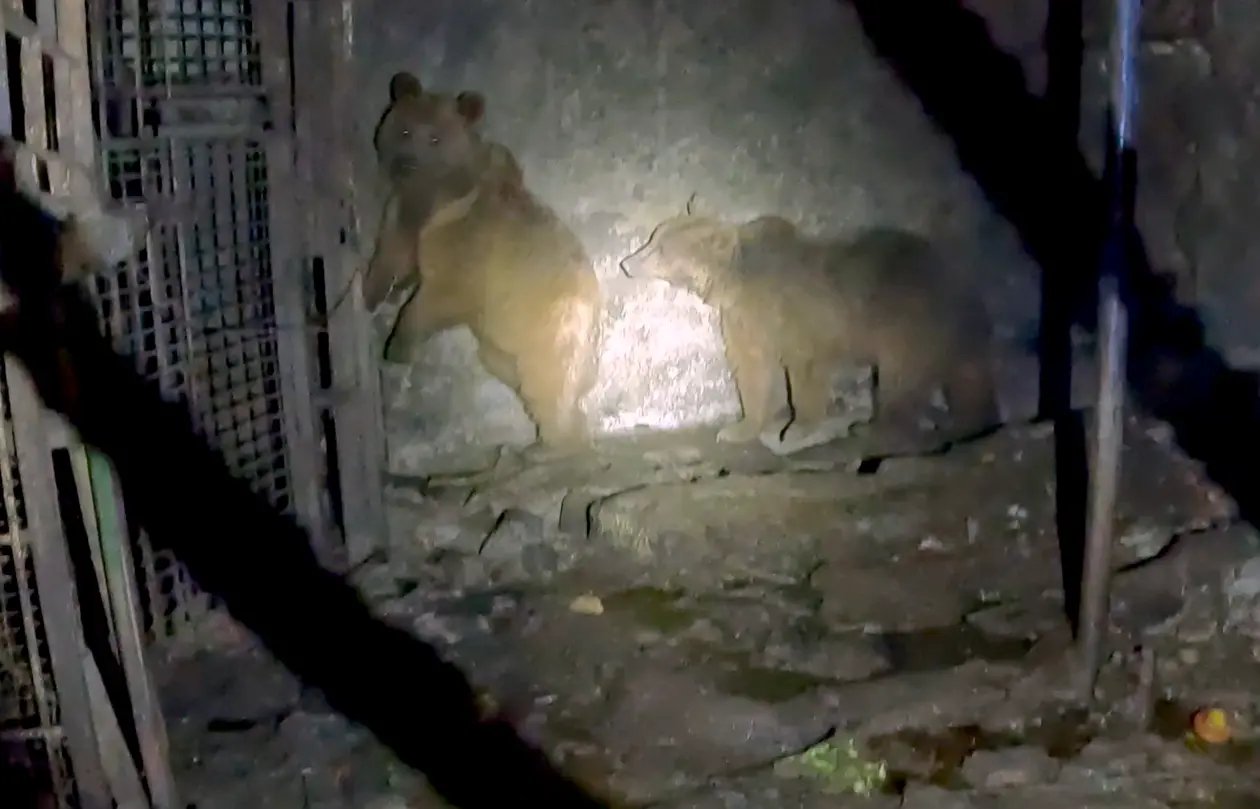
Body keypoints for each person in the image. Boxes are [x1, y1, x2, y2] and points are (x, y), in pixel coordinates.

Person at [0, 140, 609, 809]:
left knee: (319, 615)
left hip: (170, 463)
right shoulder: (446, 203)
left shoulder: (470, 216)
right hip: (213, 509)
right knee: (328, 624)